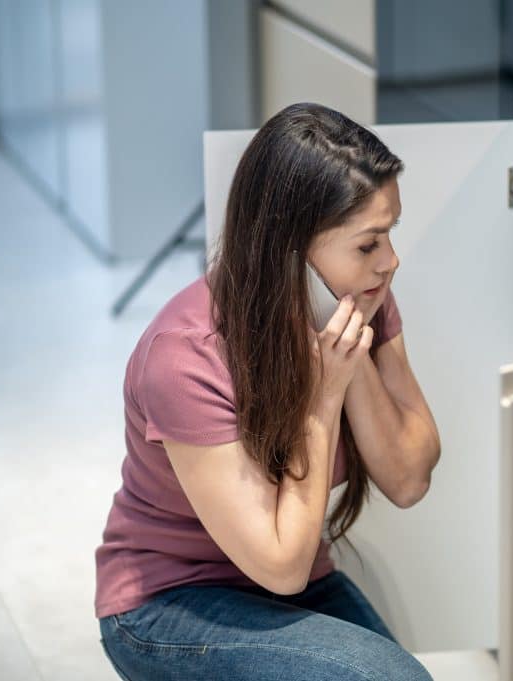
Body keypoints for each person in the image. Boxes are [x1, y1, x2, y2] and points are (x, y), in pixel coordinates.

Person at [94, 102, 441, 681]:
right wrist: (322, 399)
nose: (390, 261)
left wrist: (349, 365)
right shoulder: (185, 356)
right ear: (291, 251)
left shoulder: (355, 301)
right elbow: (279, 566)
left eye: (389, 236)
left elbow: (409, 478)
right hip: (167, 601)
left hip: (292, 575)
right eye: (367, 245)